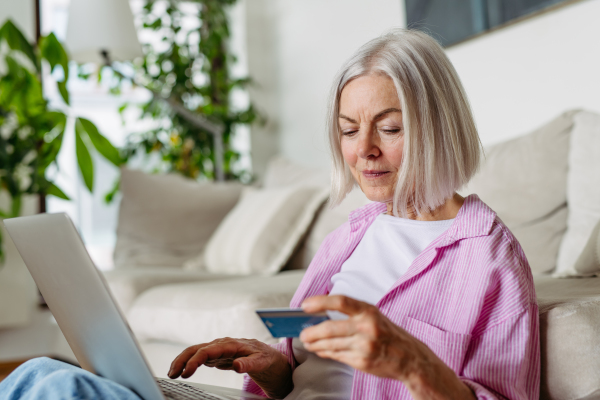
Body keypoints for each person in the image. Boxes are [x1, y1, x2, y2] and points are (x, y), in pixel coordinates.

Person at [0, 28, 539, 400]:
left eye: (390, 128)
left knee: (52, 388)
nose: (364, 150)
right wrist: (276, 369)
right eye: (349, 130)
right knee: (41, 375)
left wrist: (411, 363)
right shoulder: (348, 238)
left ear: (438, 126)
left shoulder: (490, 259)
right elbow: (312, 380)